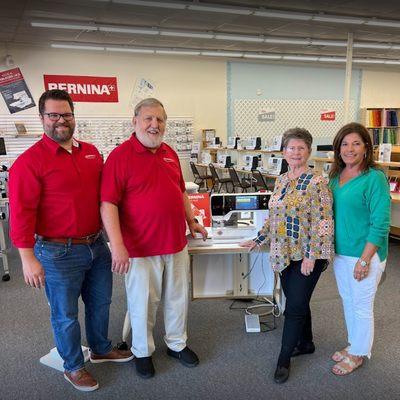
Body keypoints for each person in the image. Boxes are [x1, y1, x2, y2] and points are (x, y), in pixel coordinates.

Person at [9, 89, 133, 392]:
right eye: (53, 115)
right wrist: (27, 259)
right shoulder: (28, 163)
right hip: (56, 251)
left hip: (96, 246)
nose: (60, 120)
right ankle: (74, 366)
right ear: (42, 119)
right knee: (65, 315)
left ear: (73, 116)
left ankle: (101, 349)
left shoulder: (91, 153)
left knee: (101, 303)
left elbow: (107, 199)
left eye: (66, 114)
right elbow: (21, 215)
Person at [100, 97, 207, 379]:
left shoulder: (170, 153)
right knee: (143, 303)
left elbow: (181, 192)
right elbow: (108, 203)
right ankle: (142, 351)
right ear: (134, 121)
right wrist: (118, 246)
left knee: (177, 299)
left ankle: (176, 344)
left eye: (159, 119)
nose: (154, 124)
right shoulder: (120, 157)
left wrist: (191, 221)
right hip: (139, 248)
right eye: (148, 118)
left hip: (175, 243)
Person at [240, 128, 334, 384]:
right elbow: (274, 219)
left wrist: (311, 256)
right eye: (291, 148)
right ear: (284, 152)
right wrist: (258, 238)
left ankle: (283, 359)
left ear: (308, 151)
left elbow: (323, 221)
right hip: (284, 252)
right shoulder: (281, 180)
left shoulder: (318, 181)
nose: (295, 152)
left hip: (307, 255)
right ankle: (306, 343)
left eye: (301, 148)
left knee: (293, 307)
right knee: (297, 300)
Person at [329, 122, 391, 376]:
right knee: (348, 301)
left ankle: (359, 353)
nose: (350, 149)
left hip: (366, 254)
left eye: (356, 143)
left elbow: (381, 223)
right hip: (341, 253)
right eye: (344, 143)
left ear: (366, 147)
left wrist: (365, 259)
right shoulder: (335, 176)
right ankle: (354, 344)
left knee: (362, 305)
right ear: (338, 148)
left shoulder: (374, 178)